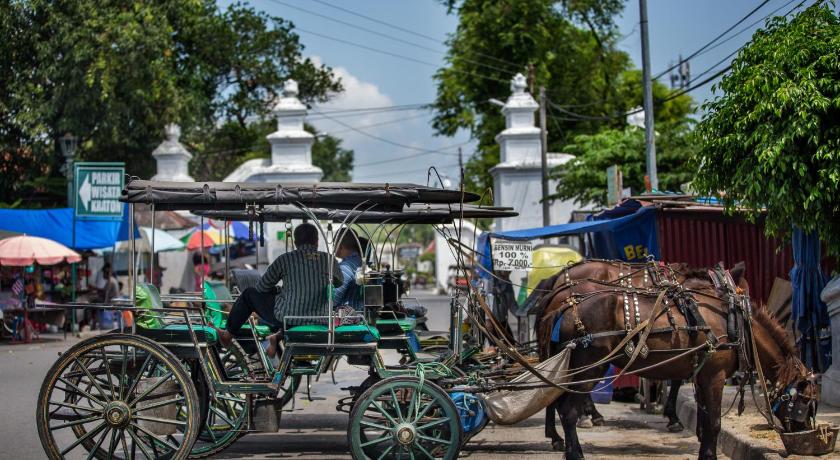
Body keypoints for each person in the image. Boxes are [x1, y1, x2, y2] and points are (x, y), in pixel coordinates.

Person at [218, 223, 341, 357]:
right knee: (286, 301)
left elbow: (261, 287)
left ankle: (228, 334)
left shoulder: (285, 259)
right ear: (317, 241)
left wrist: (278, 290)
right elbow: (340, 282)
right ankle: (277, 337)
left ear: (295, 242)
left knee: (249, 294)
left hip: (288, 318)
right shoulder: (329, 259)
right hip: (321, 319)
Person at [333, 229, 364, 312]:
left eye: (334, 244)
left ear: (340, 246)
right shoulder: (360, 261)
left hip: (347, 319)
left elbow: (333, 299)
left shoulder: (345, 268)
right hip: (359, 314)